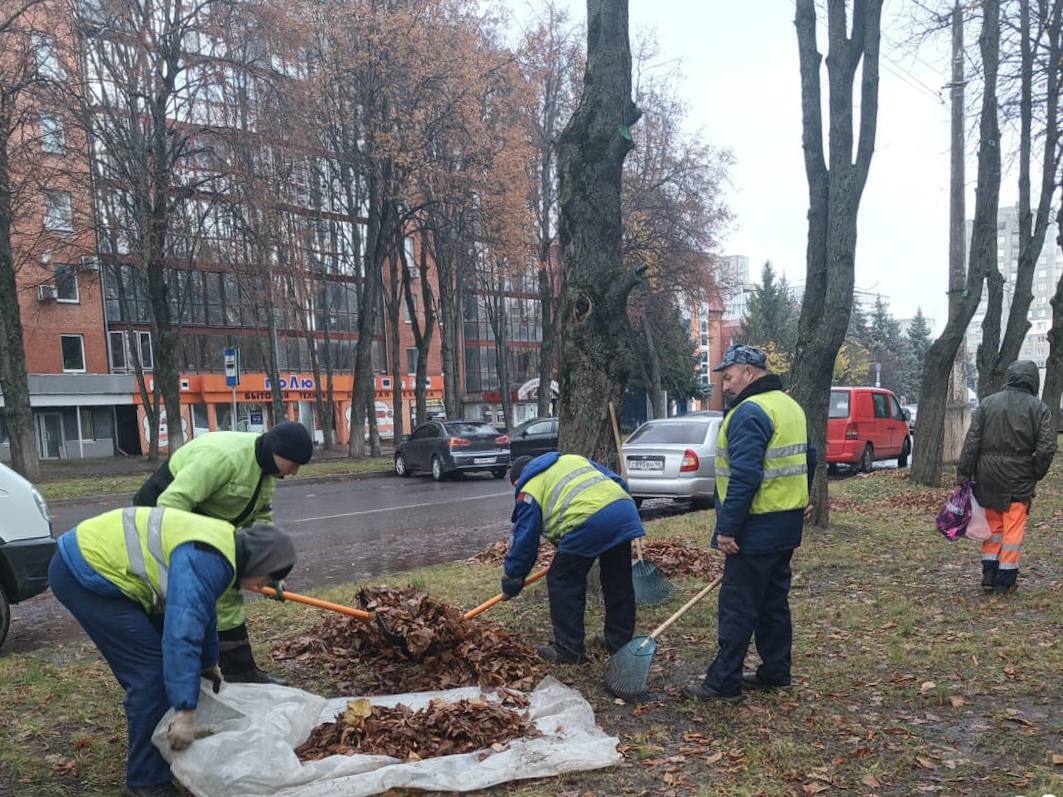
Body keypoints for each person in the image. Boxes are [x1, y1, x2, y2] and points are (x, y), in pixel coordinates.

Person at [48, 507, 296, 797]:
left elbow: (202, 611)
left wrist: (207, 663)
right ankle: (145, 782)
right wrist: (186, 711)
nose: (261, 587)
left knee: (166, 671)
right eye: (265, 580)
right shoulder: (208, 560)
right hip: (84, 572)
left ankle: (155, 744)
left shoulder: (224, 547)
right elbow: (181, 634)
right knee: (151, 676)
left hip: (100, 566)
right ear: (259, 563)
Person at [132, 421, 312, 684]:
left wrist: (268, 568)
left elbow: (260, 518)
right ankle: (169, 674)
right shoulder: (223, 458)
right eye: (293, 464)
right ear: (276, 450)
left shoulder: (268, 475)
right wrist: (197, 549)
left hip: (210, 527)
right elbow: (171, 503)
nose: (295, 472)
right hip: (159, 520)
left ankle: (240, 670)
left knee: (228, 590)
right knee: (172, 597)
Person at [683, 344, 815, 702]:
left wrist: (727, 529)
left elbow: (744, 476)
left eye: (728, 377)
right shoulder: (789, 406)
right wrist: (804, 498)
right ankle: (776, 671)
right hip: (785, 527)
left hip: (755, 529)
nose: (724, 386)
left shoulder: (749, 412)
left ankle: (723, 682)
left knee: (738, 606)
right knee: (773, 602)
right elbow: (809, 455)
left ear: (749, 373)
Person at [501, 452, 645, 663]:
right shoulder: (571, 459)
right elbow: (616, 481)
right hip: (623, 511)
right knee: (617, 580)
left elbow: (525, 537)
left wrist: (513, 577)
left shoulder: (528, 487)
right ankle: (619, 641)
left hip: (587, 521)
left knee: (563, 581)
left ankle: (569, 650)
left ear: (518, 480)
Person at [957, 360, 1056, 595]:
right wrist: (1036, 472)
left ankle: (989, 574)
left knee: (993, 527)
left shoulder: (988, 403)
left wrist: (964, 473)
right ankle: (1006, 579)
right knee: (1013, 529)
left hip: (987, 475)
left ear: (1010, 377)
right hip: (1019, 477)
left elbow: (972, 441)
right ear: (1033, 380)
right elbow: (1046, 447)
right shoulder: (1039, 409)